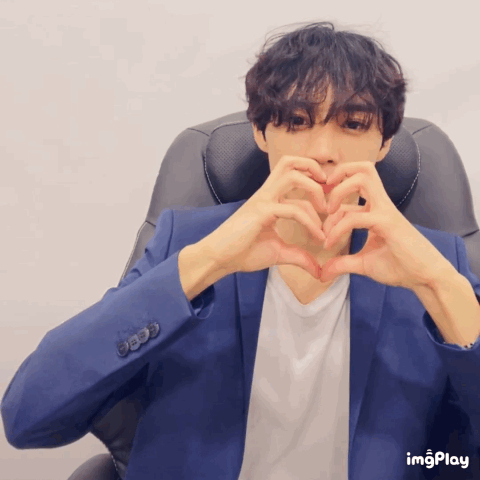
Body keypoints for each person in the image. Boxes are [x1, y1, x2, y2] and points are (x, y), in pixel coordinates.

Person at [2, 21, 480, 480]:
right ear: (261, 132)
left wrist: (438, 282)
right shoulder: (186, 244)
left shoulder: (435, 262)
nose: (323, 150)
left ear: (385, 142)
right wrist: (208, 261)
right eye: (297, 121)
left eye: (353, 124)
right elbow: (27, 416)